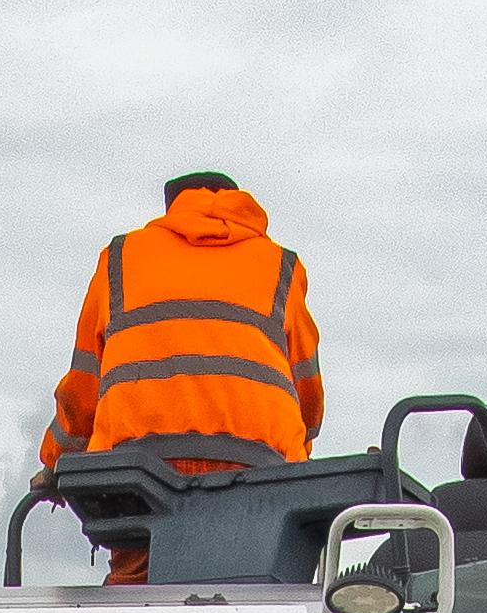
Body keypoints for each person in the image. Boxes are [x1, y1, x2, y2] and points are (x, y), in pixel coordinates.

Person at [41, 171, 323, 477]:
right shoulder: (282, 265)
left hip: (134, 470)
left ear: (172, 207)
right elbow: (307, 396)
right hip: (260, 464)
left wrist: (56, 461)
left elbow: (83, 389)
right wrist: (296, 455)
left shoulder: (120, 258)